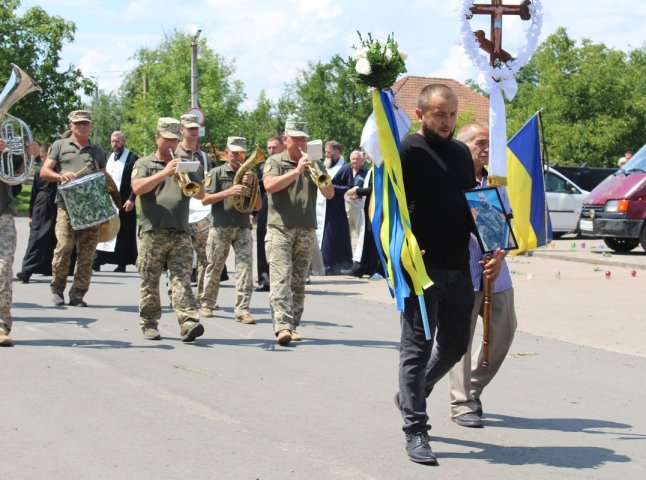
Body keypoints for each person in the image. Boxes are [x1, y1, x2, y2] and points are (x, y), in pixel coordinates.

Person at [394, 84, 504, 465]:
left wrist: (495, 246)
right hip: (419, 269)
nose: (447, 121)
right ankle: (416, 429)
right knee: (417, 347)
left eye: (453, 115)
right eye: (440, 114)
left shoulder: (460, 153)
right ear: (422, 114)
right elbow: (391, 208)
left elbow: (475, 205)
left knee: (456, 345)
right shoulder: (406, 151)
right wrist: (401, 251)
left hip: (459, 266)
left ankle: (415, 390)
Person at [448, 122, 517, 429]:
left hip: (496, 274)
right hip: (462, 272)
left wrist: (500, 255)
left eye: (489, 143)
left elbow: (505, 227)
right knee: (459, 340)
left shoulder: (495, 183)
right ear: (463, 148)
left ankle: (474, 387)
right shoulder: (449, 183)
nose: (487, 149)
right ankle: (461, 402)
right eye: (480, 143)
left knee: (504, 331)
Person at [131, 117, 205, 342]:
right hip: (153, 230)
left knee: (181, 278)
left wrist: (187, 177)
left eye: (174, 140)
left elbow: (200, 195)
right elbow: (137, 188)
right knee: (150, 280)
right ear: (157, 138)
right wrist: (164, 173)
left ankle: (188, 321)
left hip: (180, 230)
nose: (171, 144)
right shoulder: (144, 164)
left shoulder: (186, 163)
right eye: (167, 139)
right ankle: (149, 323)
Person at [263, 120, 334, 345]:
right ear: (286, 140)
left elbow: (330, 194)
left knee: (298, 282)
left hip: (305, 228)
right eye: (296, 139)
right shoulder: (274, 161)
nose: (301, 143)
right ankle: (282, 326)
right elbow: (269, 186)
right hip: (279, 229)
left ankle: (293, 325)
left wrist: (317, 172)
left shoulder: (315, 163)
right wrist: (296, 171)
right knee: (281, 277)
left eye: (304, 139)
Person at [40, 110, 107, 307]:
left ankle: (78, 294)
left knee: (87, 253)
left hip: (91, 208)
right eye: (78, 123)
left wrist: (105, 207)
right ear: (70, 125)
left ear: (90, 126)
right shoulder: (60, 146)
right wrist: (61, 175)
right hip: (66, 205)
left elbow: (104, 179)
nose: (82, 126)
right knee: (64, 247)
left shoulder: (96, 150)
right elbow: (45, 171)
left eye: (85, 123)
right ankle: (57, 289)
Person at [200, 136, 261, 323]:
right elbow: (205, 199)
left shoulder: (250, 175)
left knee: (245, 268)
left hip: (243, 227)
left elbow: (258, 205)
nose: (238, 157)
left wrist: (251, 186)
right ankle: (207, 303)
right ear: (226, 153)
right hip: (220, 227)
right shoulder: (216, 173)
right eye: (234, 153)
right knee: (214, 266)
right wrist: (229, 192)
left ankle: (242, 309)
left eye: (242, 153)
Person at [1, 138, 39, 346]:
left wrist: (28, 156)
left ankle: (1, 325)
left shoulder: (4, 143)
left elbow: (17, 177)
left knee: (4, 270)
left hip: (3, 214)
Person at [175, 114, 212, 304]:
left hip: (201, 212)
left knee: (206, 258)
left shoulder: (205, 157)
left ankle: (202, 296)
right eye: (190, 128)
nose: (194, 131)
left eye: (196, 128)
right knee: (181, 258)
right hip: (179, 212)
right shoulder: (174, 153)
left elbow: (208, 185)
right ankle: (178, 294)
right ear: (182, 130)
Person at [94, 131, 138, 272]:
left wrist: (132, 198)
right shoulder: (108, 156)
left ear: (124, 141)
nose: (115, 144)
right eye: (113, 141)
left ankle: (122, 262)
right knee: (103, 229)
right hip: (107, 200)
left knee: (123, 232)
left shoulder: (132, 158)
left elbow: (136, 181)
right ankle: (98, 260)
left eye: (118, 141)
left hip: (124, 201)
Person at [17, 143, 57, 283]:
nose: (43, 159)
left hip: (56, 202)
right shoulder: (40, 170)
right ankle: (27, 270)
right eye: (42, 157)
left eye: (46, 156)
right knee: (37, 236)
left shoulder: (57, 169)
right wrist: (30, 214)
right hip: (42, 203)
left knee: (53, 237)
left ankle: (47, 267)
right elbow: (34, 193)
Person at [316, 140, 354, 275]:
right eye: (325, 152)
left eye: (328, 152)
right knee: (325, 236)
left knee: (334, 236)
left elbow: (349, 188)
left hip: (337, 207)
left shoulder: (345, 168)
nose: (326, 155)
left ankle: (337, 264)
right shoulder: (325, 167)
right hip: (323, 206)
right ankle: (324, 264)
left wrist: (331, 187)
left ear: (337, 153)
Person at [344, 160, 383, 279]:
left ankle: (374, 269)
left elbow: (375, 189)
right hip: (368, 209)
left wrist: (357, 191)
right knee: (366, 239)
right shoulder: (373, 167)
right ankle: (361, 267)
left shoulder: (379, 167)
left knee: (372, 240)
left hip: (375, 210)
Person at [254, 136, 284, 292]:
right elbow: (259, 188)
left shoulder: (288, 163)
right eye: (269, 147)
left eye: (274, 147)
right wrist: (253, 210)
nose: (271, 150)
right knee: (262, 237)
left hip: (284, 203)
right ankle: (264, 278)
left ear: (282, 147)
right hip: (267, 201)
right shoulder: (264, 165)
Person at [345, 150, 367, 238]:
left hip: (359, 205)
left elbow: (369, 189)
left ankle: (362, 252)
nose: (355, 161)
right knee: (345, 233)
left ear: (362, 161)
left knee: (361, 232)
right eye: (353, 159)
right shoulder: (347, 171)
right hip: (346, 204)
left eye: (357, 159)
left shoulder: (367, 173)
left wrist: (358, 193)